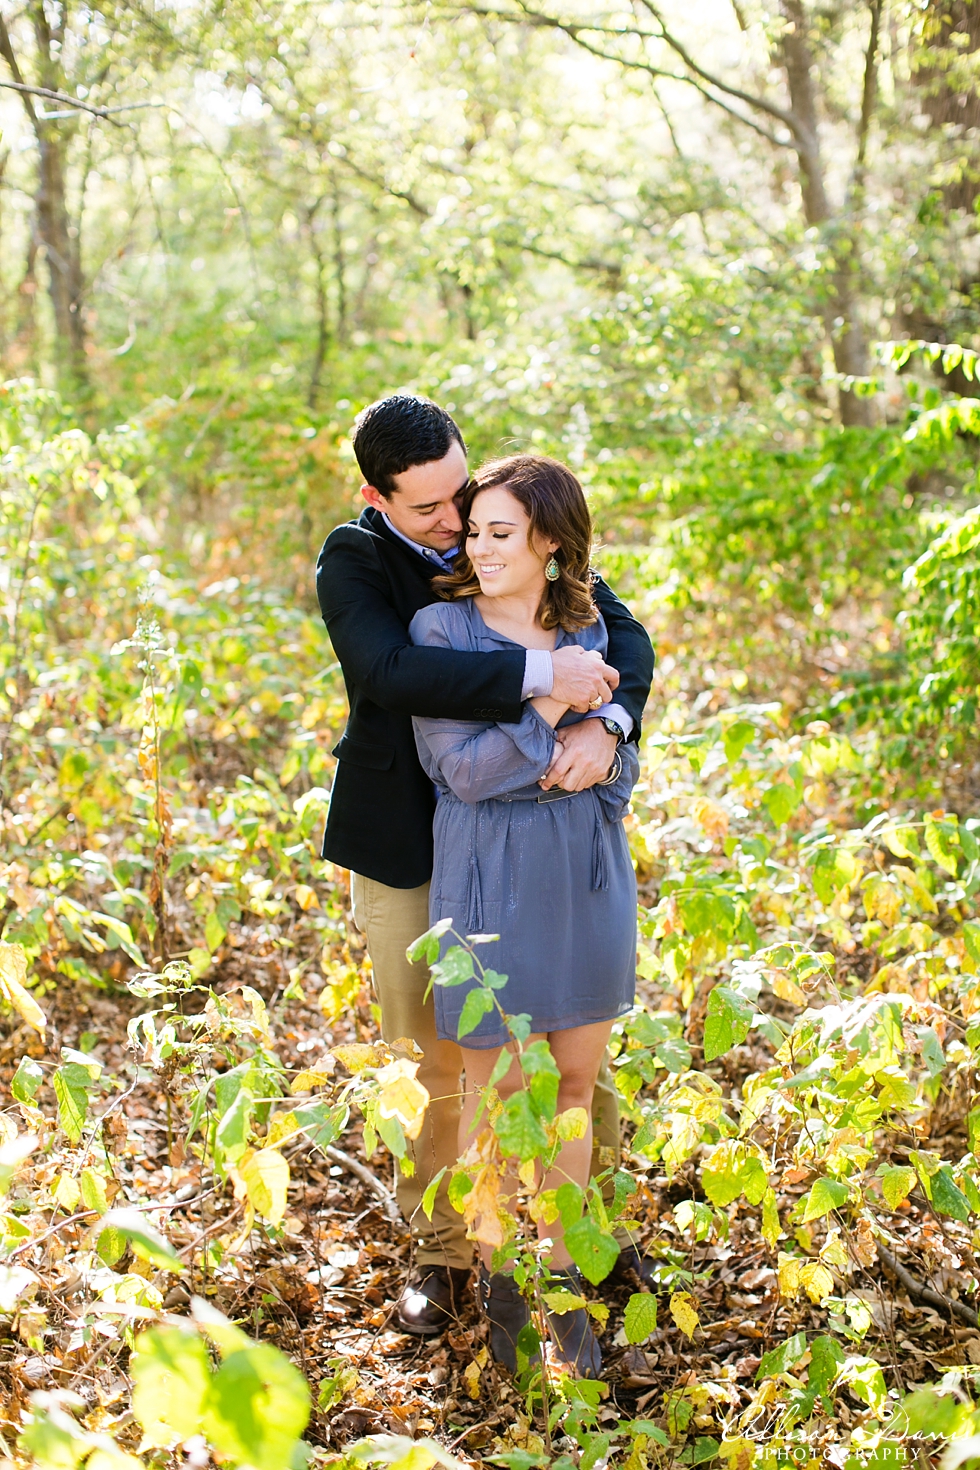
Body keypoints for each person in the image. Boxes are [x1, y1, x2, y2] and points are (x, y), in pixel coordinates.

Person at [316, 395, 654, 1337]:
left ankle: (579, 1231)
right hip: (411, 839)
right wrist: (545, 686)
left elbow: (620, 640)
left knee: (570, 1046)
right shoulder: (355, 560)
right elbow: (389, 674)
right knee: (441, 1053)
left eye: (460, 495)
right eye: (429, 511)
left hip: (542, 836)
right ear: (376, 499)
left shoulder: (514, 531)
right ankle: (446, 1250)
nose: (454, 524)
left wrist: (611, 718)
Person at [409, 454, 638, 1376]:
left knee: (575, 1087)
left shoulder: (587, 626)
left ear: (550, 543)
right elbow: (459, 771)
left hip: (583, 867)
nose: (481, 546)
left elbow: (617, 757)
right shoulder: (440, 626)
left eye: (503, 532)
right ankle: (503, 1284)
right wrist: (548, 703)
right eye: (475, 531)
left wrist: (604, 745)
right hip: (485, 871)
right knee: (497, 1093)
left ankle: (564, 1291)